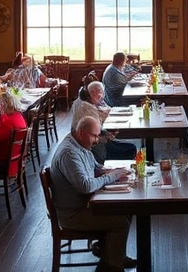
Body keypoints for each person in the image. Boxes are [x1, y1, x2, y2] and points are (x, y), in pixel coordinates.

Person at [49, 116, 136, 272]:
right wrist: (111, 176)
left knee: (125, 209)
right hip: (73, 215)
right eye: (94, 136)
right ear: (82, 132)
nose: (97, 140)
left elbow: (95, 166)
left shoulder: (80, 145)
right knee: (120, 223)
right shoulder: (69, 153)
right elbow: (85, 186)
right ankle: (111, 267)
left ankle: (113, 255)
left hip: (83, 205)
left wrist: (115, 171)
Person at [72, 81, 136, 163]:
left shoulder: (89, 103)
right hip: (96, 149)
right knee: (131, 148)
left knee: (129, 146)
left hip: (98, 142)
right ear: (92, 92)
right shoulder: (87, 108)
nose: (101, 96)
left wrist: (107, 133)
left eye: (102, 93)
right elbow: (93, 137)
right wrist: (107, 136)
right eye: (99, 93)